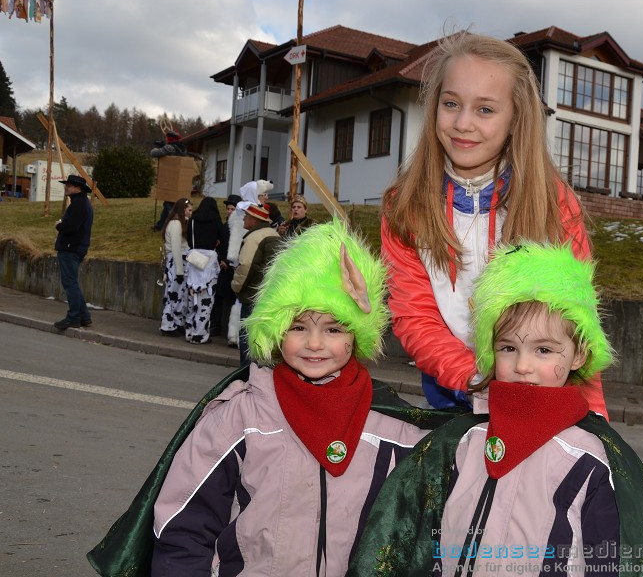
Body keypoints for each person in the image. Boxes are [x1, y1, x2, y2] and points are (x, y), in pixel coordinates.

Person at [348, 243, 643, 577]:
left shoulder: (593, 461)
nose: (523, 365)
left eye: (544, 349)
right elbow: (410, 545)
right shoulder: (458, 444)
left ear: (579, 356)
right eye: (508, 348)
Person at [149, 220, 438, 576]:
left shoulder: (398, 429)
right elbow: (184, 526)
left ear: (358, 334)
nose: (314, 344)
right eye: (298, 327)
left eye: (333, 328)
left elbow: (422, 540)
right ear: (275, 329)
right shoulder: (238, 418)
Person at [379, 31, 606, 415]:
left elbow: (578, 320)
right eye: (451, 103)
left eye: (485, 109)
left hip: (542, 404)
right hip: (452, 401)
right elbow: (415, 316)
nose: (463, 123)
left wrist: (597, 421)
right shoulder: (405, 206)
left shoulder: (554, 204)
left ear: (517, 119)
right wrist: (479, 381)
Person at [231, 203, 280, 366]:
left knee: (247, 338)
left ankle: (247, 373)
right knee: (263, 339)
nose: (244, 219)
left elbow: (245, 266)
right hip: (270, 295)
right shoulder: (274, 235)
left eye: (246, 216)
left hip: (252, 295)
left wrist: (236, 287)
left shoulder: (254, 237)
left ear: (253, 220)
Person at [53, 174, 94, 330]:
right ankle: (84, 316)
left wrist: (59, 225)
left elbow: (70, 227)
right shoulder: (82, 203)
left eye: (69, 185)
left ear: (78, 188)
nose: (66, 187)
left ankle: (74, 317)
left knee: (70, 284)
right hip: (76, 247)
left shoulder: (79, 204)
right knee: (73, 283)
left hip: (71, 248)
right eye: (66, 185)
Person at [184, 197, 225, 344]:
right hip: (209, 261)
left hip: (194, 259)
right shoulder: (215, 220)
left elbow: (189, 239)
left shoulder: (193, 220)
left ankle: (189, 331)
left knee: (191, 298)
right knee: (206, 300)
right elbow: (223, 237)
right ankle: (200, 334)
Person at [160, 198, 192, 336]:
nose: (191, 213)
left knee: (179, 295)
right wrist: (179, 271)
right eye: (189, 210)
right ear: (183, 209)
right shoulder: (176, 224)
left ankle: (176, 323)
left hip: (178, 263)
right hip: (176, 263)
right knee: (173, 294)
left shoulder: (178, 222)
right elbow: (176, 248)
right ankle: (167, 325)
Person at [211, 194, 241, 340]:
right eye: (228, 209)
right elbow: (220, 244)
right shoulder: (224, 226)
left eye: (232, 208)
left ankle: (231, 330)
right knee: (218, 297)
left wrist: (228, 262)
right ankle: (216, 325)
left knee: (232, 299)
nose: (229, 211)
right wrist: (221, 260)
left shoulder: (240, 226)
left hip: (233, 267)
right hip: (222, 266)